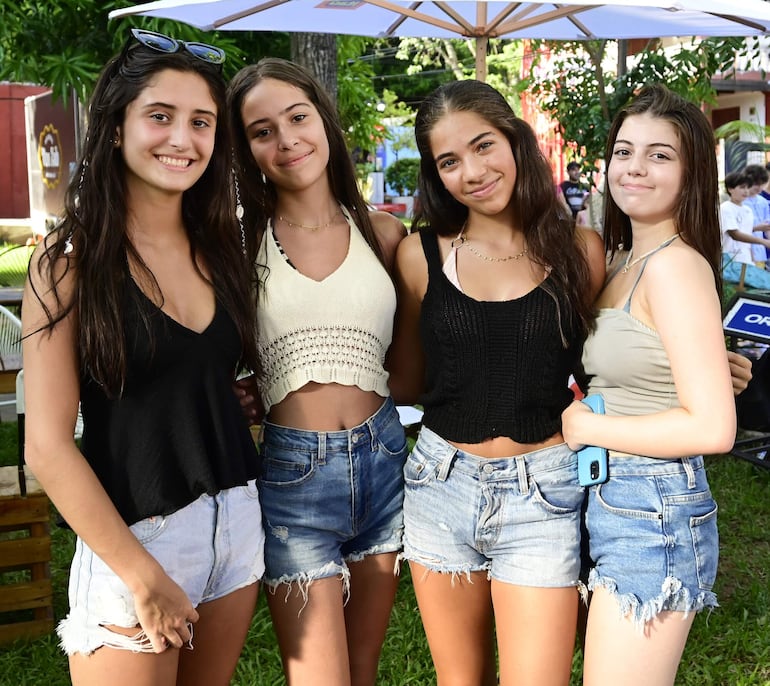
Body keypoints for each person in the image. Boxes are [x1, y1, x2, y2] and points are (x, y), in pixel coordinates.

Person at [22, 29, 264, 686]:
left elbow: (199, 379)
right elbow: (45, 446)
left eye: (201, 122)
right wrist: (141, 574)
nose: (182, 139)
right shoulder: (69, 265)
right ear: (117, 125)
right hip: (138, 536)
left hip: (237, 525)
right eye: (160, 116)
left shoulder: (220, 253)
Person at [387, 79, 606, 686]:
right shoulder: (418, 255)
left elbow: (607, 365)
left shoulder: (578, 250)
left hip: (546, 491)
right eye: (449, 161)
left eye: (484, 146)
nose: (473, 171)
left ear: (514, 140)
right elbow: (405, 381)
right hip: (440, 484)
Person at [226, 58, 407, 686]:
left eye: (298, 117)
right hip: (294, 475)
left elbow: (414, 363)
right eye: (262, 130)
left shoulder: (384, 233)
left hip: (386, 459)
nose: (287, 139)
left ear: (324, 122)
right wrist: (234, 387)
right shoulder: (237, 242)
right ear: (246, 148)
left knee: (362, 671)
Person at [561, 84, 736, 686]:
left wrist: (591, 426)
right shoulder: (620, 260)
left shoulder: (675, 266)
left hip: (652, 505)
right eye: (624, 151)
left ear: (691, 175)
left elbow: (714, 428)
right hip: (612, 495)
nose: (634, 167)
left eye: (659, 155)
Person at [742, 163, 770, 266]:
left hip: (760, 251)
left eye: (762, 184)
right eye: (756, 184)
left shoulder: (763, 202)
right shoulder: (740, 201)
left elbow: (767, 227)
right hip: (743, 250)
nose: (759, 188)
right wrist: (757, 228)